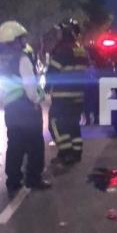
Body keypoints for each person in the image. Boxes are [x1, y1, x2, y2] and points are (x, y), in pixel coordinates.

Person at [0, 21, 51, 196]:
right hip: (26, 107)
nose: (24, 41)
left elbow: (1, 86)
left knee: (14, 145)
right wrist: (41, 98)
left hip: (11, 108)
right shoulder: (22, 58)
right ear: (15, 39)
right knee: (35, 144)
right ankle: (34, 179)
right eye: (22, 38)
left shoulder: (0, 60)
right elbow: (30, 86)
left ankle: (13, 180)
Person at [46, 19, 89, 165]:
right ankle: (76, 153)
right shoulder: (81, 51)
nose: (57, 36)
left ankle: (66, 153)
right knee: (73, 125)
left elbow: (52, 73)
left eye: (59, 32)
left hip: (62, 96)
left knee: (55, 124)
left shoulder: (61, 51)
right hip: (78, 96)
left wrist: (45, 89)